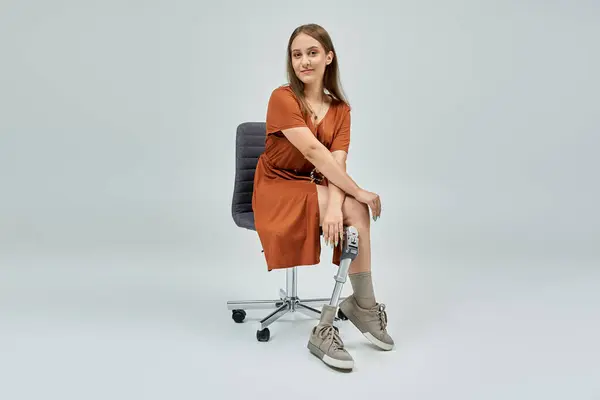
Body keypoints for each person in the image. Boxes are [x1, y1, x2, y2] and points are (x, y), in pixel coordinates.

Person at [251, 23, 394, 370]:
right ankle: (338, 320)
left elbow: (334, 162)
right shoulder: (282, 97)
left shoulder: (341, 109)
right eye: (297, 54)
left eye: (312, 52)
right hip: (277, 187)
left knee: (355, 210)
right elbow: (315, 152)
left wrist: (333, 207)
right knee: (357, 201)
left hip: (315, 183)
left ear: (329, 57)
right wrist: (354, 190)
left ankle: (358, 305)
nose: (304, 61)